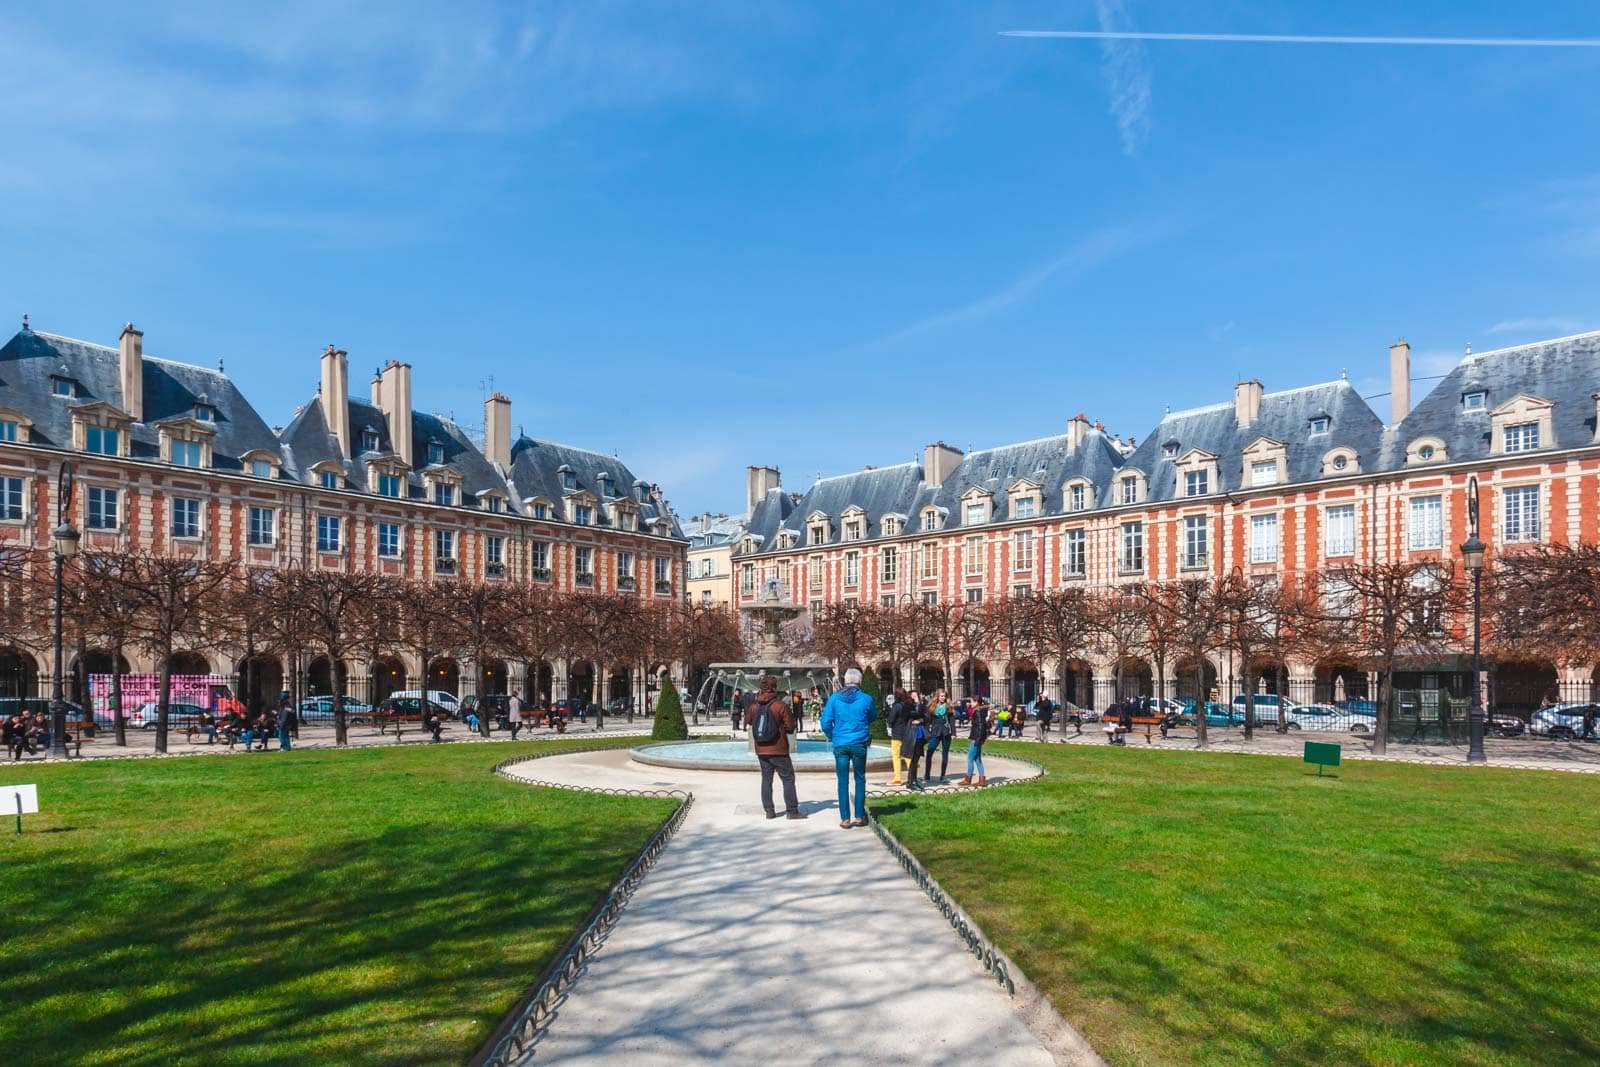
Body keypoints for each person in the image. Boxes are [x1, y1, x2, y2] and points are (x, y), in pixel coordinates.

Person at [821, 667, 877, 829]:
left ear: (845, 681)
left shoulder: (834, 699)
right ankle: (859, 816)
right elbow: (873, 716)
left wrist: (833, 736)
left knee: (842, 781)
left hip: (841, 744)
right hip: (859, 743)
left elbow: (825, 722)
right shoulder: (866, 698)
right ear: (859, 681)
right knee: (860, 779)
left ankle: (845, 818)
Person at [747, 675, 805, 820]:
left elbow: (748, 721)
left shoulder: (754, 706)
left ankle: (769, 811)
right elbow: (791, 727)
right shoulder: (780, 706)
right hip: (779, 749)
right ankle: (792, 811)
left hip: (761, 749)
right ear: (775, 688)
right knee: (788, 779)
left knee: (766, 780)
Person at [923, 688, 953, 781]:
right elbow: (928, 721)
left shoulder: (948, 706)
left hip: (946, 732)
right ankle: (927, 775)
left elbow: (952, 720)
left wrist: (954, 733)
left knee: (945, 753)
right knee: (930, 751)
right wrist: (927, 732)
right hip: (935, 732)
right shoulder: (932, 707)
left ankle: (943, 775)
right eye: (941, 696)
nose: (943, 698)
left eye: (944, 696)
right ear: (937, 696)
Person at [962, 700, 991, 786]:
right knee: (977, 759)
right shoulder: (980, 711)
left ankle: (968, 779)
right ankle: (982, 780)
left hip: (976, 738)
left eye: (972, 702)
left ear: (977, 702)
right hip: (978, 738)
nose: (971, 703)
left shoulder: (977, 711)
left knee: (970, 759)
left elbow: (981, 727)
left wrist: (978, 740)